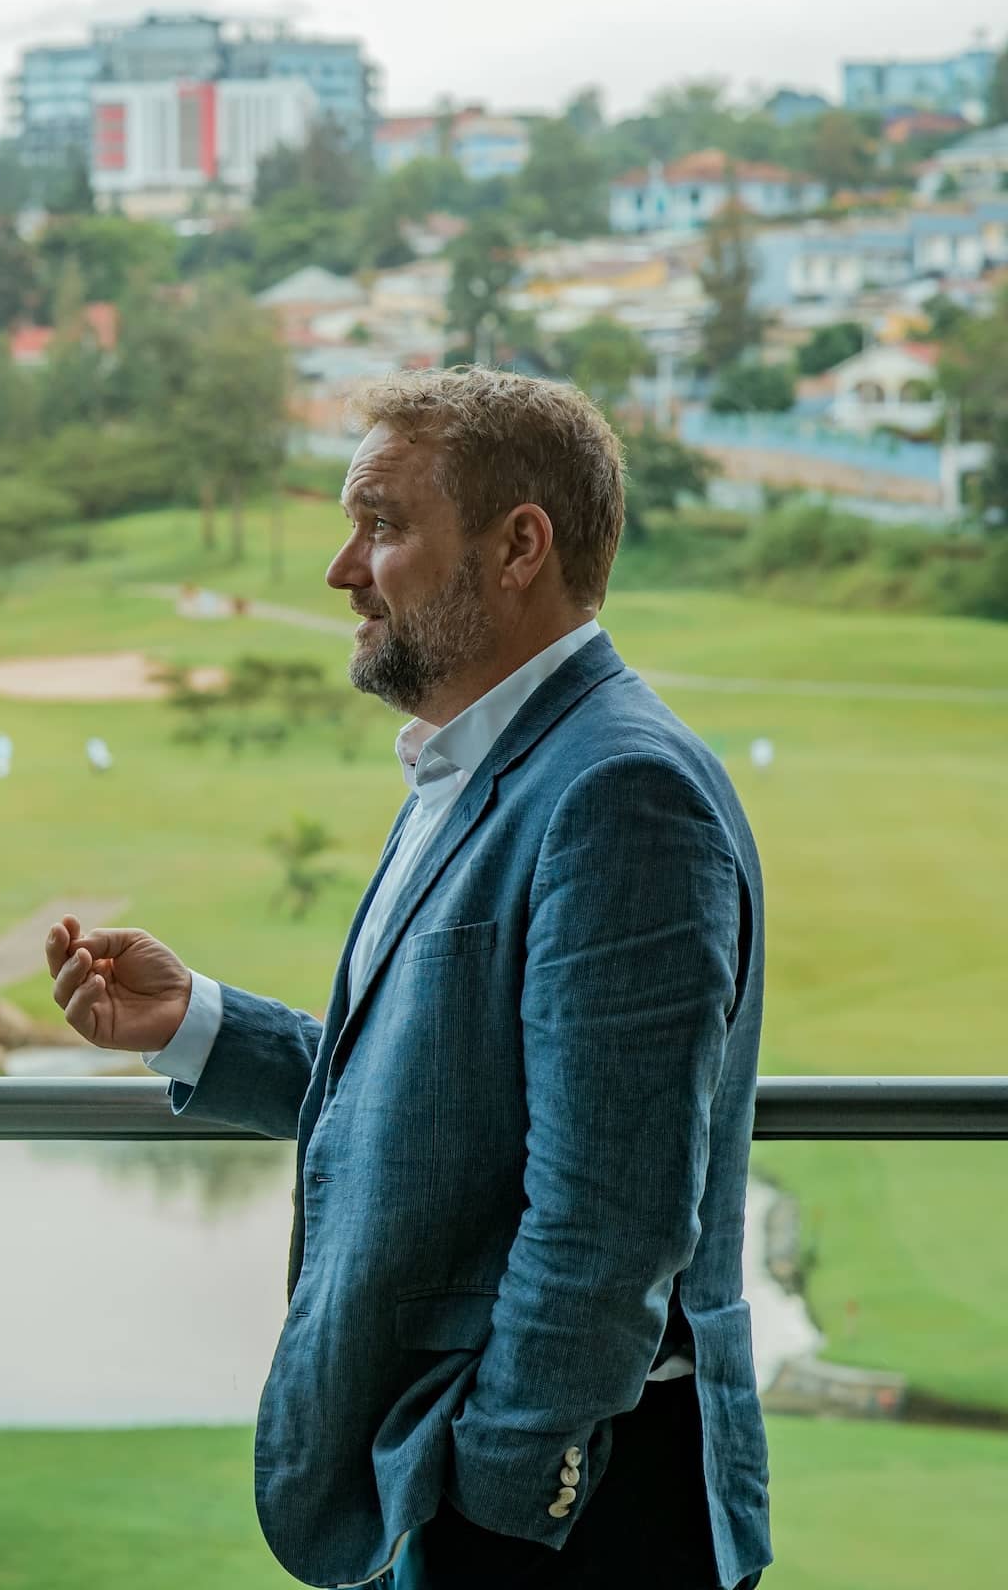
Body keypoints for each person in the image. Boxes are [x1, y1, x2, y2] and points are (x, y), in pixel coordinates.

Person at [46, 368, 769, 1590]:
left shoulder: (618, 793)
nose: (341, 568)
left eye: (381, 526)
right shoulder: (481, 761)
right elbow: (446, 1098)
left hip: (571, 1517)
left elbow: (609, 1220)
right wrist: (197, 1025)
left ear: (518, 546)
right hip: (468, 1493)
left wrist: (494, 1491)